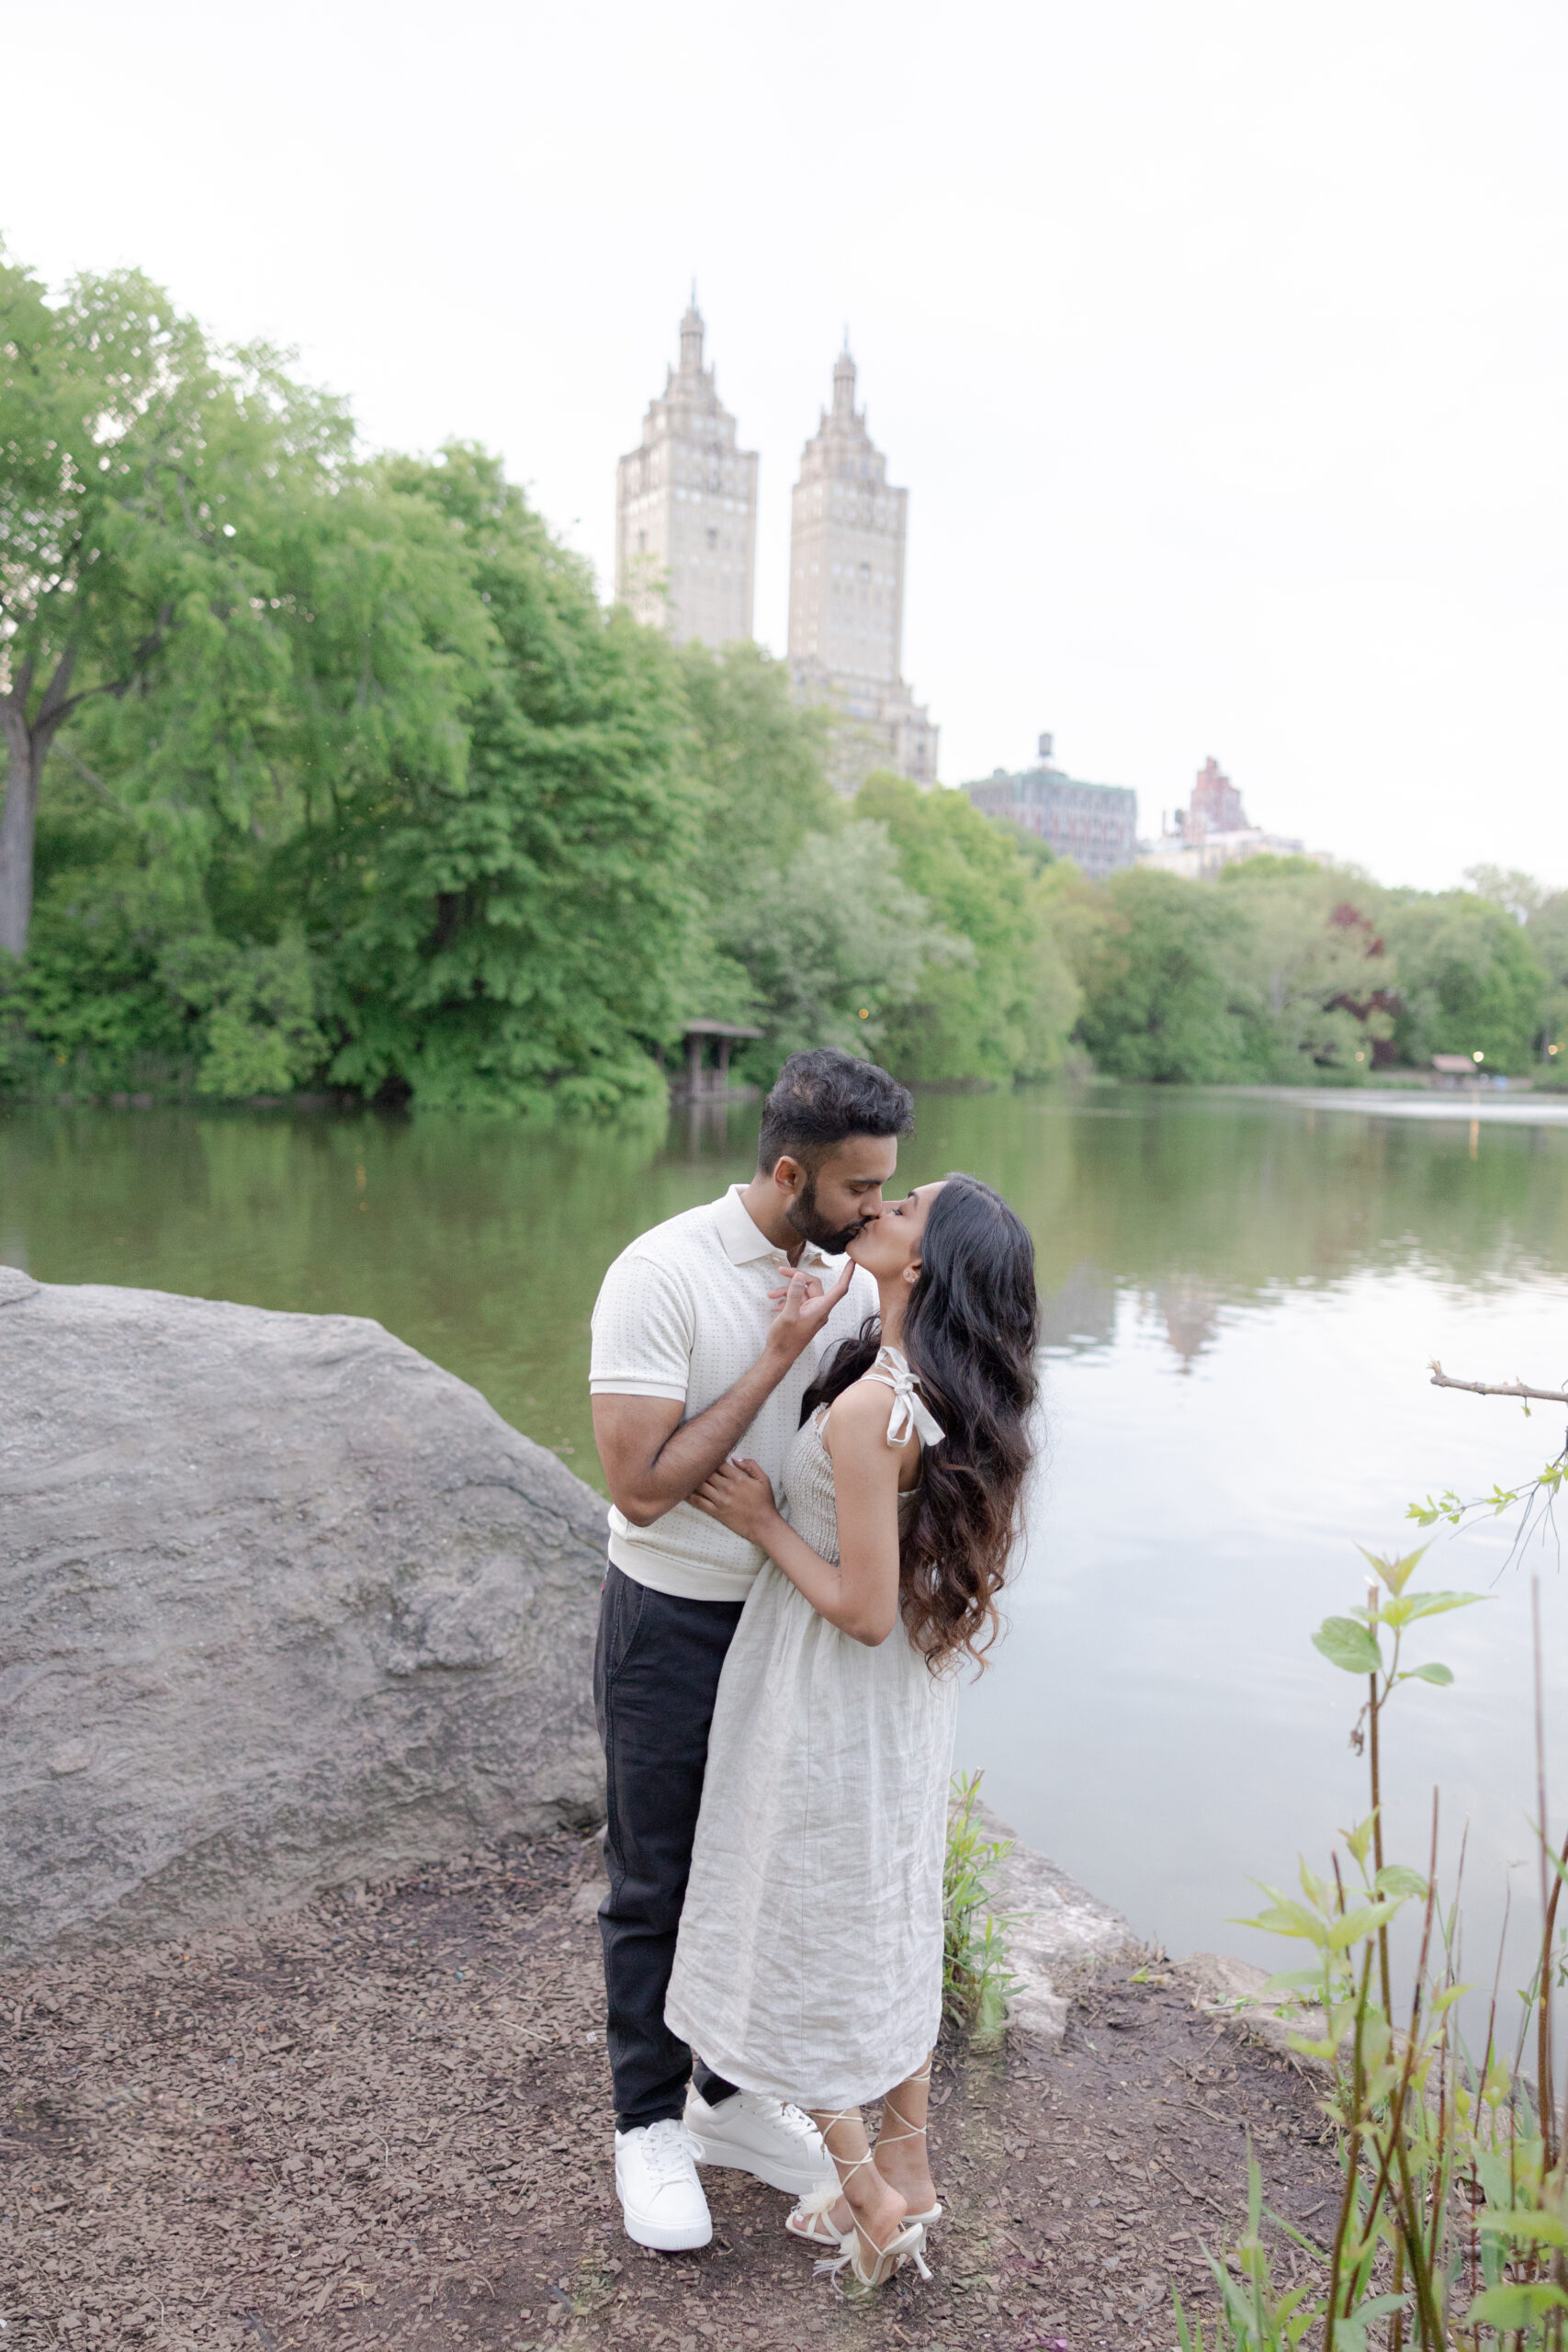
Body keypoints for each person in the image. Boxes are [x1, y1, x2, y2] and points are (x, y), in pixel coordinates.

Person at [665, 1173, 1038, 2293]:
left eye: (907, 1206)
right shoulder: (924, 1386)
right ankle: (911, 2169)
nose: (882, 1204)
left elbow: (866, 1609)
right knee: (884, 1910)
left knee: (802, 1917)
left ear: (922, 1265)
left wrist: (764, 1517)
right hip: (901, 1710)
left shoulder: (881, 1404)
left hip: (830, 1689)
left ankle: (871, 2194)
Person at [589, 1048, 917, 2251]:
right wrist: (775, 1356)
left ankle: (721, 2100)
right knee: (655, 1881)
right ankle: (645, 2126)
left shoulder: (843, 1266)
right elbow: (636, 1490)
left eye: (890, 1186)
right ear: (790, 1173)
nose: (877, 1208)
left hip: (786, 1629)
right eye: (859, 1189)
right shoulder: (660, 1274)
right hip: (673, 1621)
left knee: (759, 1875)